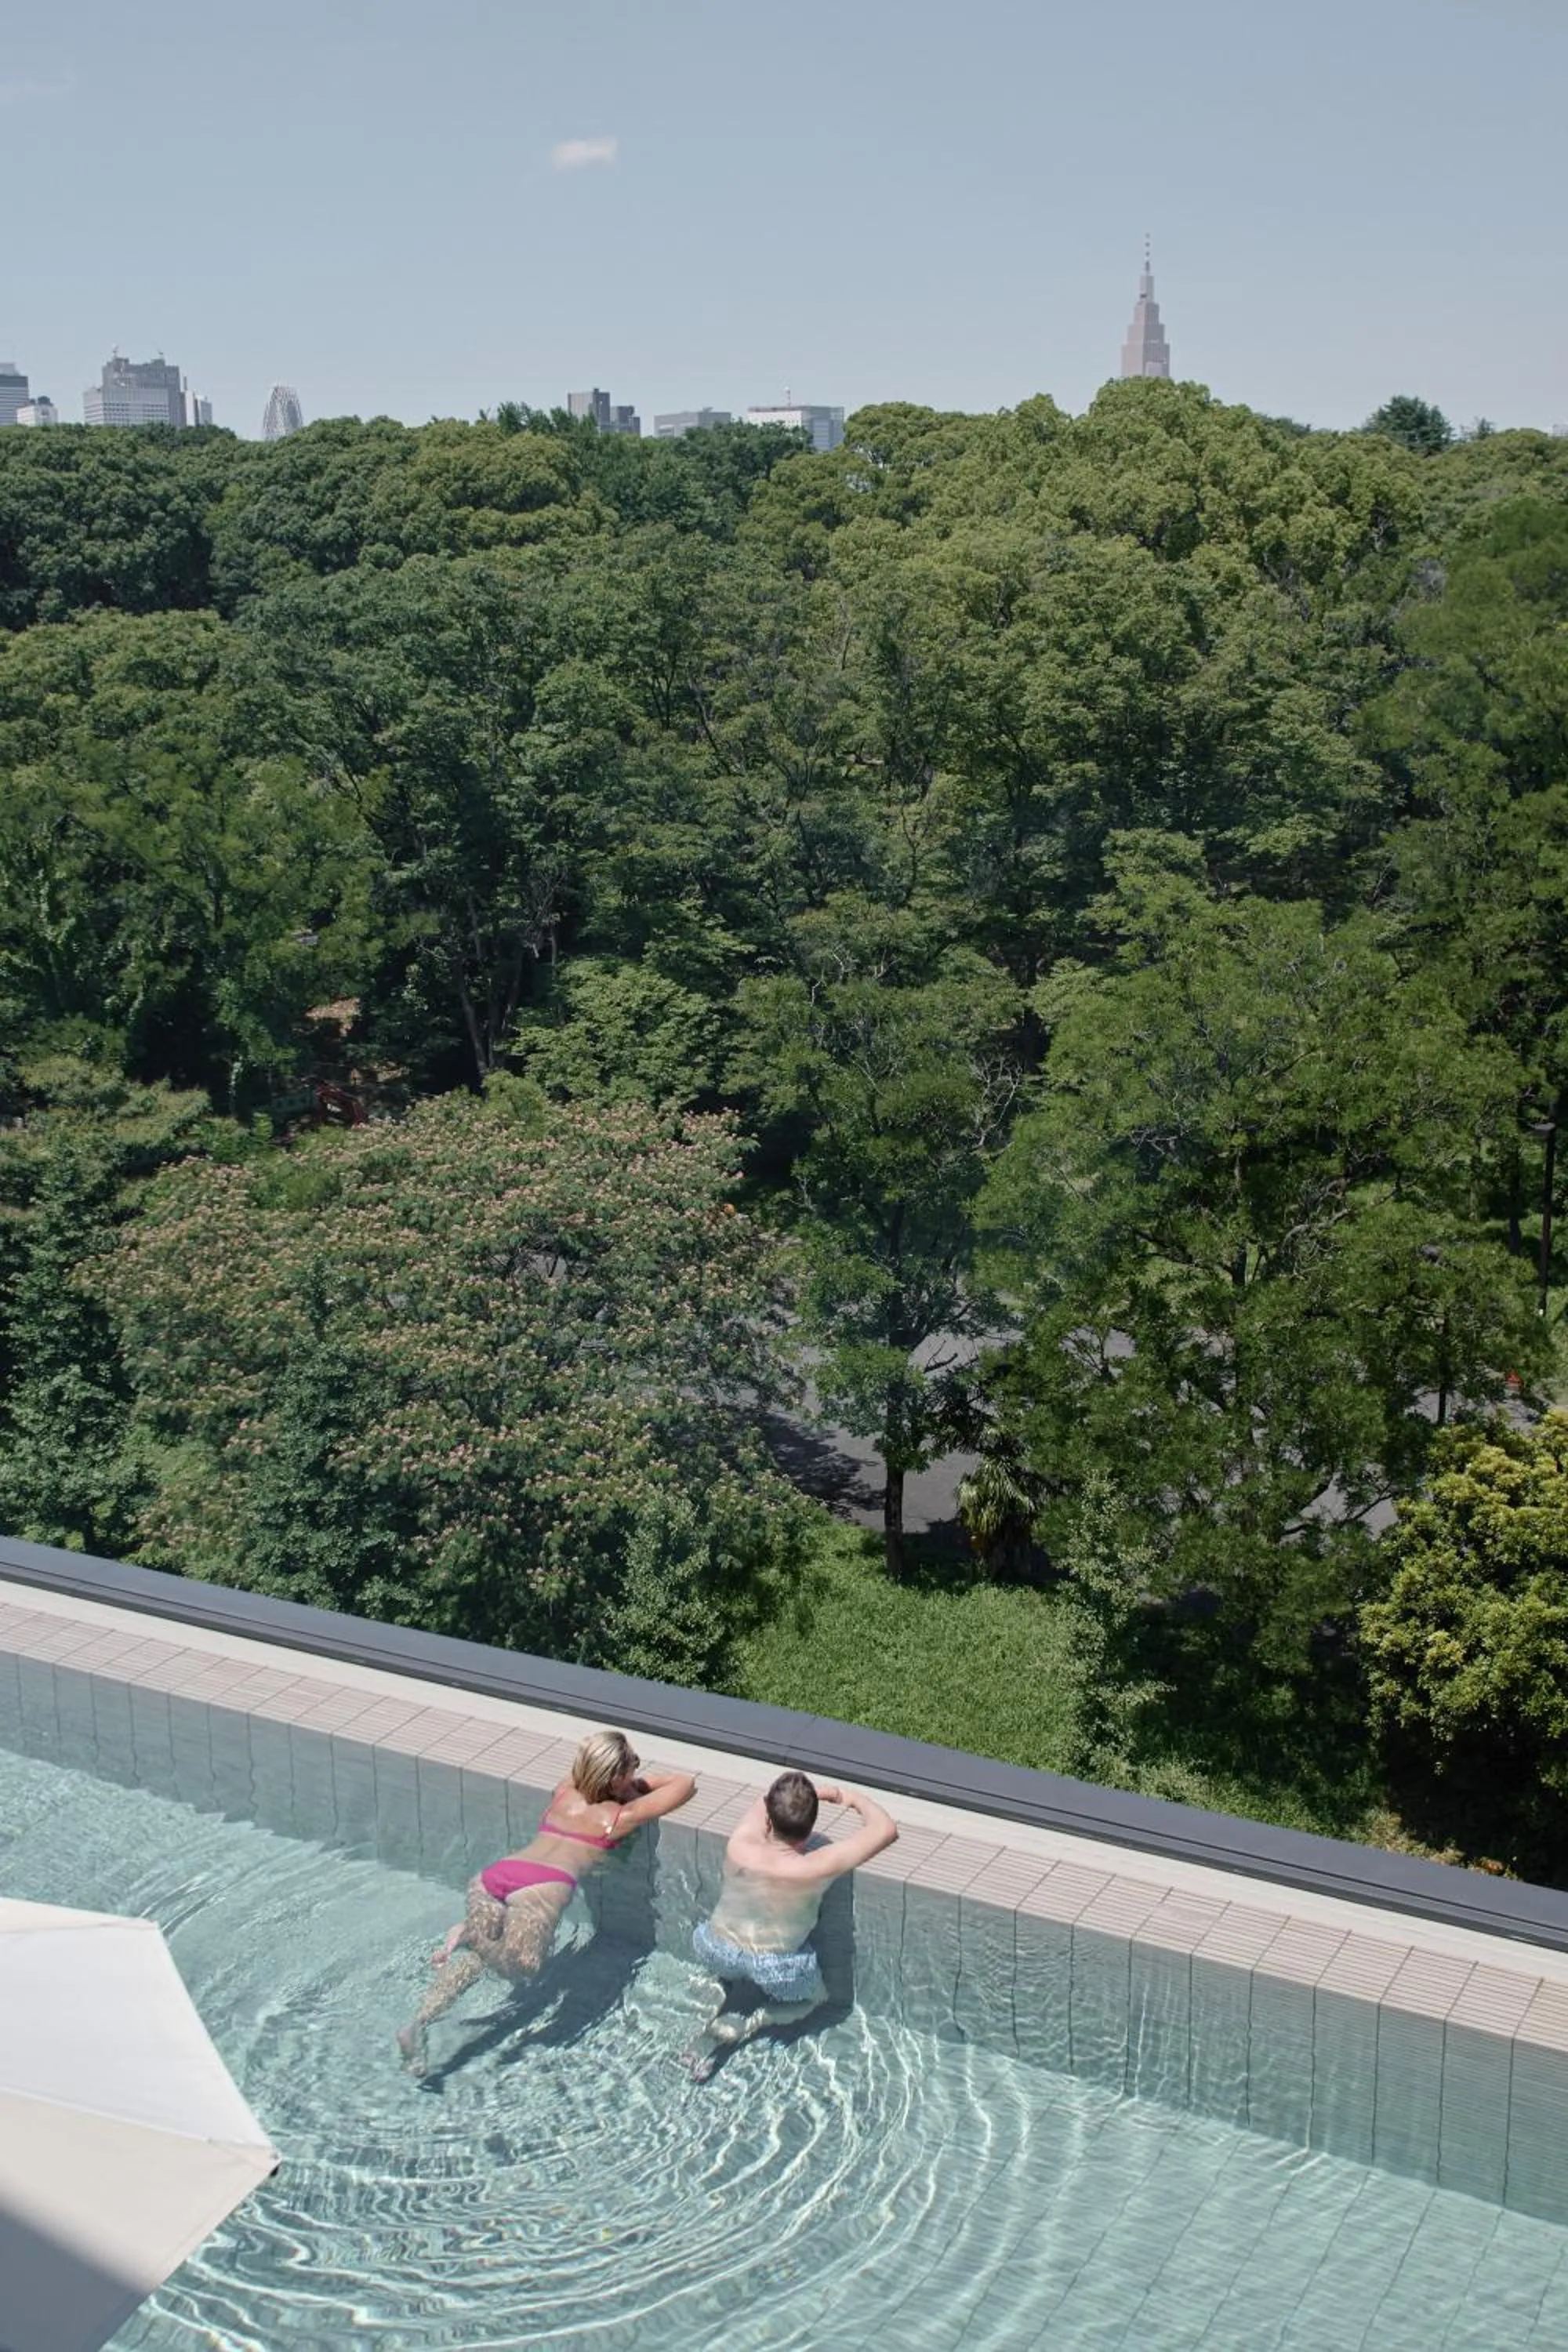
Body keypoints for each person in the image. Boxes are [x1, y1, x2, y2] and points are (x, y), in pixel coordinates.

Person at [397, 1728, 695, 2075]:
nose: (639, 1769)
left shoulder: (563, 1793)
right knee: (522, 1968)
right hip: (541, 1888)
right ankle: (470, 1937)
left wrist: (621, 1777)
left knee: (478, 1959)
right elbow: (685, 1784)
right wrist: (637, 1786)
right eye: (634, 1763)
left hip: (496, 1875)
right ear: (614, 1779)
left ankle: (417, 2024)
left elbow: (583, 1765)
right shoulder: (617, 1819)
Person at [681, 1769, 897, 2081]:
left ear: (768, 1820)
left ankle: (720, 2005)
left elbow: (762, 1801)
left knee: (732, 1968)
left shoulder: (740, 1844)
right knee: (816, 1998)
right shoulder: (813, 1867)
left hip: (716, 1947)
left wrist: (813, 1793)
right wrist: (848, 1797)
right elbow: (885, 1829)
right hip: (774, 1966)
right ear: (808, 1833)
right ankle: (753, 2023)